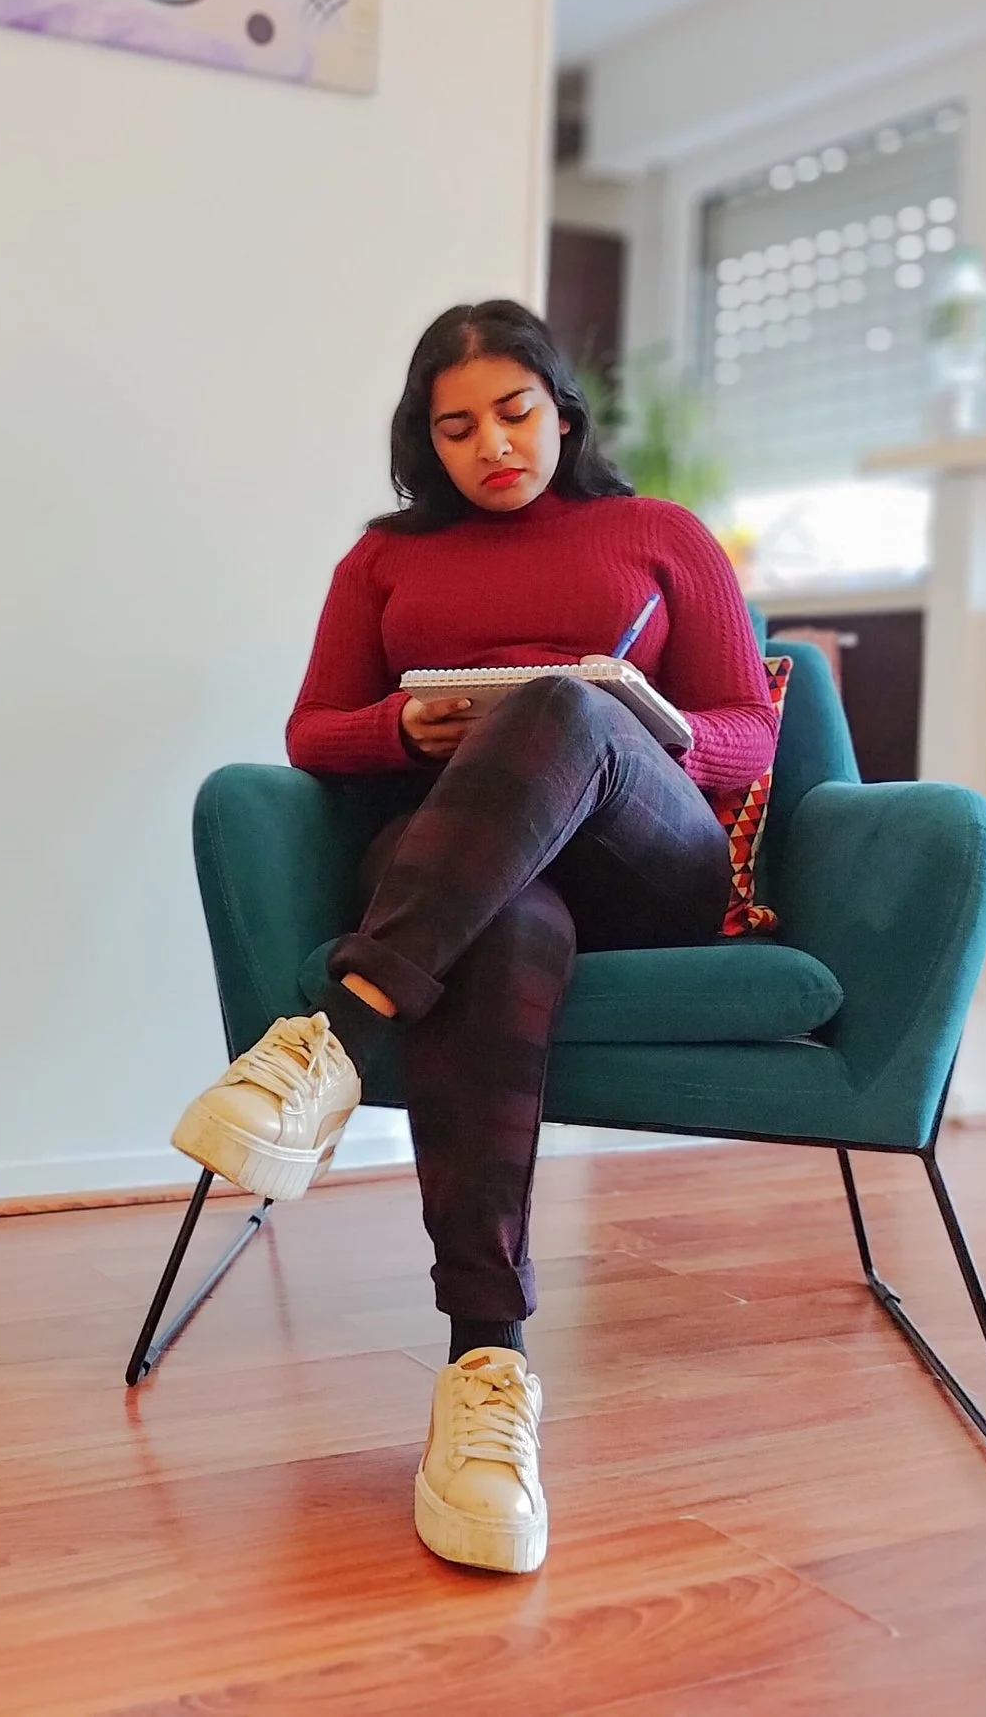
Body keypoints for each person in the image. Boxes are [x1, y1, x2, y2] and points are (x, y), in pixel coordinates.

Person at [169, 300, 777, 1576]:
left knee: (563, 708)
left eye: (514, 413)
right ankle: (482, 1372)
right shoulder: (383, 562)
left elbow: (748, 731)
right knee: (498, 929)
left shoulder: (660, 535)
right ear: (424, 441)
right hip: (461, 864)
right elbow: (312, 729)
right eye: (456, 428)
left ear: (562, 411)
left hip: (640, 858)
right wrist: (403, 730)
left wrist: (634, 724)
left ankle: (333, 1041)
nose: (492, 446)